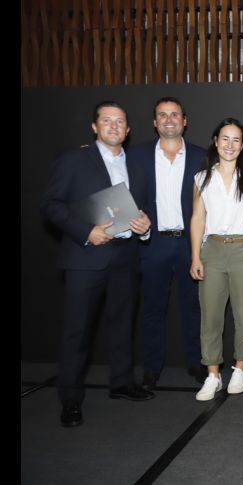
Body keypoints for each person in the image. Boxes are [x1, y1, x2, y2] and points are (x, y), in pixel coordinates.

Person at [42, 100, 154, 427]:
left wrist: (144, 226)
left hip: (125, 257)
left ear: (128, 130)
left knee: (122, 325)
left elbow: (140, 209)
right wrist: (86, 232)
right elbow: (51, 205)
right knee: (77, 331)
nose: (114, 126)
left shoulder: (136, 165)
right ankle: (71, 398)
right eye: (107, 121)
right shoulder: (73, 160)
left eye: (120, 122)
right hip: (85, 257)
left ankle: (121, 383)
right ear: (95, 127)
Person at [128, 97, 207, 390]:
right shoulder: (134, 156)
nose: (169, 119)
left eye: (174, 114)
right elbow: (108, 173)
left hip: (191, 244)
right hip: (152, 244)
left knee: (194, 308)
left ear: (184, 121)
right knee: (152, 309)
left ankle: (197, 363)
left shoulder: (203, 156)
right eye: (162, 114)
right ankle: (151, 368)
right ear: (154, 122)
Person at [189, 118, 243, 402]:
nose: (230, 145)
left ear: (242, 145)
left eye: (236, 140)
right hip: (213, 249)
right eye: (225, 139)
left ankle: (240, 368)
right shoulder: (201, 178)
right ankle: (213, 375)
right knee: (210, 316)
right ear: (216, 141)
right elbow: (198, 218)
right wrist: (195, 255)